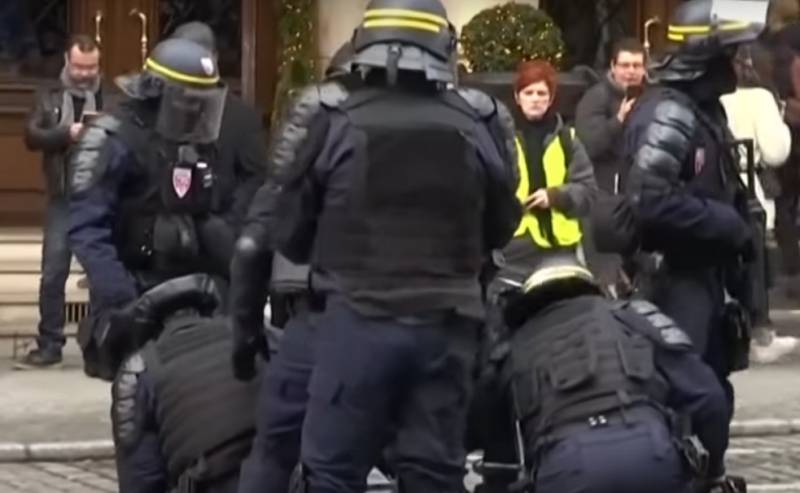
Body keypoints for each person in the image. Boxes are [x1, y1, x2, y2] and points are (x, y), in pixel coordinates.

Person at [254, 0, 522, 491]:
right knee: (434, 474)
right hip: (448, 330)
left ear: (364, 42)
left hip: (357, 323)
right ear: (443, 44)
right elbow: (503, 225)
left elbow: (289, 233)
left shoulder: (332, 117)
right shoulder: (478, 121)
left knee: (333, 472)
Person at [622, 0, 768, 448]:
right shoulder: (670, 114)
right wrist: (725, 223)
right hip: (673, 284)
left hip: (705, 282)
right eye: (732, 52)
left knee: (708, 396)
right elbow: (648, 202)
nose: (741, 62)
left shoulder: (703, 110)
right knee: (682, 401)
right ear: (705, 55)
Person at [468, 255, 737, 493]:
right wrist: (713, 471)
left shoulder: (511, 350)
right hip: (651, 454)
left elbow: (497, 458)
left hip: (566, 467)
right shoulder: (636, 319)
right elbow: (709, 399)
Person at [67, 37, 231, 379]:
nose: (197, 113)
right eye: (189, 102)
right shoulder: (109, 139)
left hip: (189, 296)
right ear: (157, 92)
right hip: (134, 291)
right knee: (139, 409)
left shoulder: (185, 140)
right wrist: (124, 301)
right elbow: (86, 229)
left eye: (203, 104)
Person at [110, 274, 262, 493]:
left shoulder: (139, 368)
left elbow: (141, 477)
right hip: (275, 468)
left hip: (211, 478)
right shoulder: (253, 334)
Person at [17, 34, 111, 369]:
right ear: (67, 62)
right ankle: (50, 344)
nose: (85, 74)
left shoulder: (109, 96)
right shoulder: (49, 95)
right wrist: (65, 133)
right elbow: (31, 135)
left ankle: (104, 342)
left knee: (103, 274)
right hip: (63, 198)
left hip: (101, 198)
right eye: (79, 67)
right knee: (53, 273)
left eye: (92, 67)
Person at [720, 44, 798, 364]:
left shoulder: (708, 97)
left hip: (713, 187)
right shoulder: (760, 98)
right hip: (748, 188)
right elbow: (775, 150)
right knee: (754, 262)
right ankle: (759, 331)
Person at [501, 59, 596, 284]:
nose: (535, 99)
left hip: (561, 248)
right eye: (529, 92)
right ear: (517, 97)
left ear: (551, 98)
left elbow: (589, 192)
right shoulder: (501, 139)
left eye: (542, 93)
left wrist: (555, 196)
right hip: (515, 248)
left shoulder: (567, 139)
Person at [170, 21, 267, 234]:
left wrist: (228, 225)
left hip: (221, 231)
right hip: (169, 236)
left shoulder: (242, 118)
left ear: (214, 58)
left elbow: (256, 178)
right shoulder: (163, 108)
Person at [575, 38, 646, 295]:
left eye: (637, 65)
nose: (631, 71)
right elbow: (589, 145)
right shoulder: (595, 99)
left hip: (641, 189)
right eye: (625, 65)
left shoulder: (651, 95)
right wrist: (618, 121)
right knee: (608, 273)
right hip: (605, 195)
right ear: (613, 67)